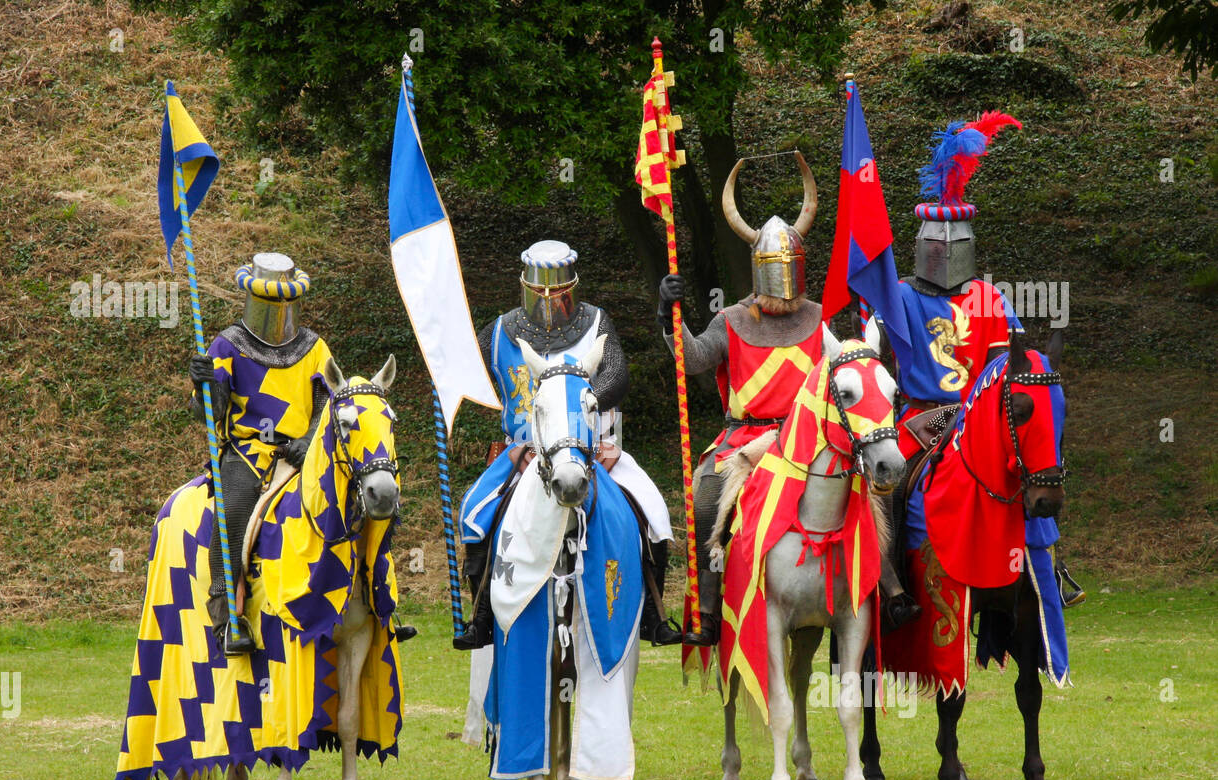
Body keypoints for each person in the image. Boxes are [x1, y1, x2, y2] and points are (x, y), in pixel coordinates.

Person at [652, 153, 925, 645]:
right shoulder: (732, 320)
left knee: (871, 488)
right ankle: (709, 615)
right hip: (746, 439)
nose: (784, 278)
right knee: (707, 493)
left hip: (809, 435)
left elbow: (846, 371)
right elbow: (691, 360)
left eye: (790, 267)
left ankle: (890, 588)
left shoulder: (817, 319)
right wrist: (667, 313)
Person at [874, 113, 1083, 607]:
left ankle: (1045, 566)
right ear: (921, 244)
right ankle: (891, 583)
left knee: (1030, 469)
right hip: (920, 416)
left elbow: (1014, 371)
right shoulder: (899, 296)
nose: (945, 252)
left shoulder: (991, 298)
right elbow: (875, 367)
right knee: (890, 485)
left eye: (955, 243)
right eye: (935, 242)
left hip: (981, 418)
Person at [456, 240, 680, 650]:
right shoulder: (501, 331)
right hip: (522, 454)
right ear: (524, 287)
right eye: (540, 294)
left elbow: (617, 374)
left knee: (654, 511)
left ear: (572, 288)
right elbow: (464, 372)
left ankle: (654, 613)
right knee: (475, 513)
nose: (549, 303)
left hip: (595, 451)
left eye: (558, 295)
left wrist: (585, 398)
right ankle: (482, 613)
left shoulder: (596, 323)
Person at [187, 252, 332, 655]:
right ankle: (226, 618)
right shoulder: (227, 344)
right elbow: (209, 411)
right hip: (248, 452)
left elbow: (328, 400)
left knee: (361, 495)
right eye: (271, 304)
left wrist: (308, 440)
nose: (279, 312)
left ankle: (377, 599)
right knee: (233, 510)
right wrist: (203, 382)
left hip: (304, 452)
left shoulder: (315, 347)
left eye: (285, 304)